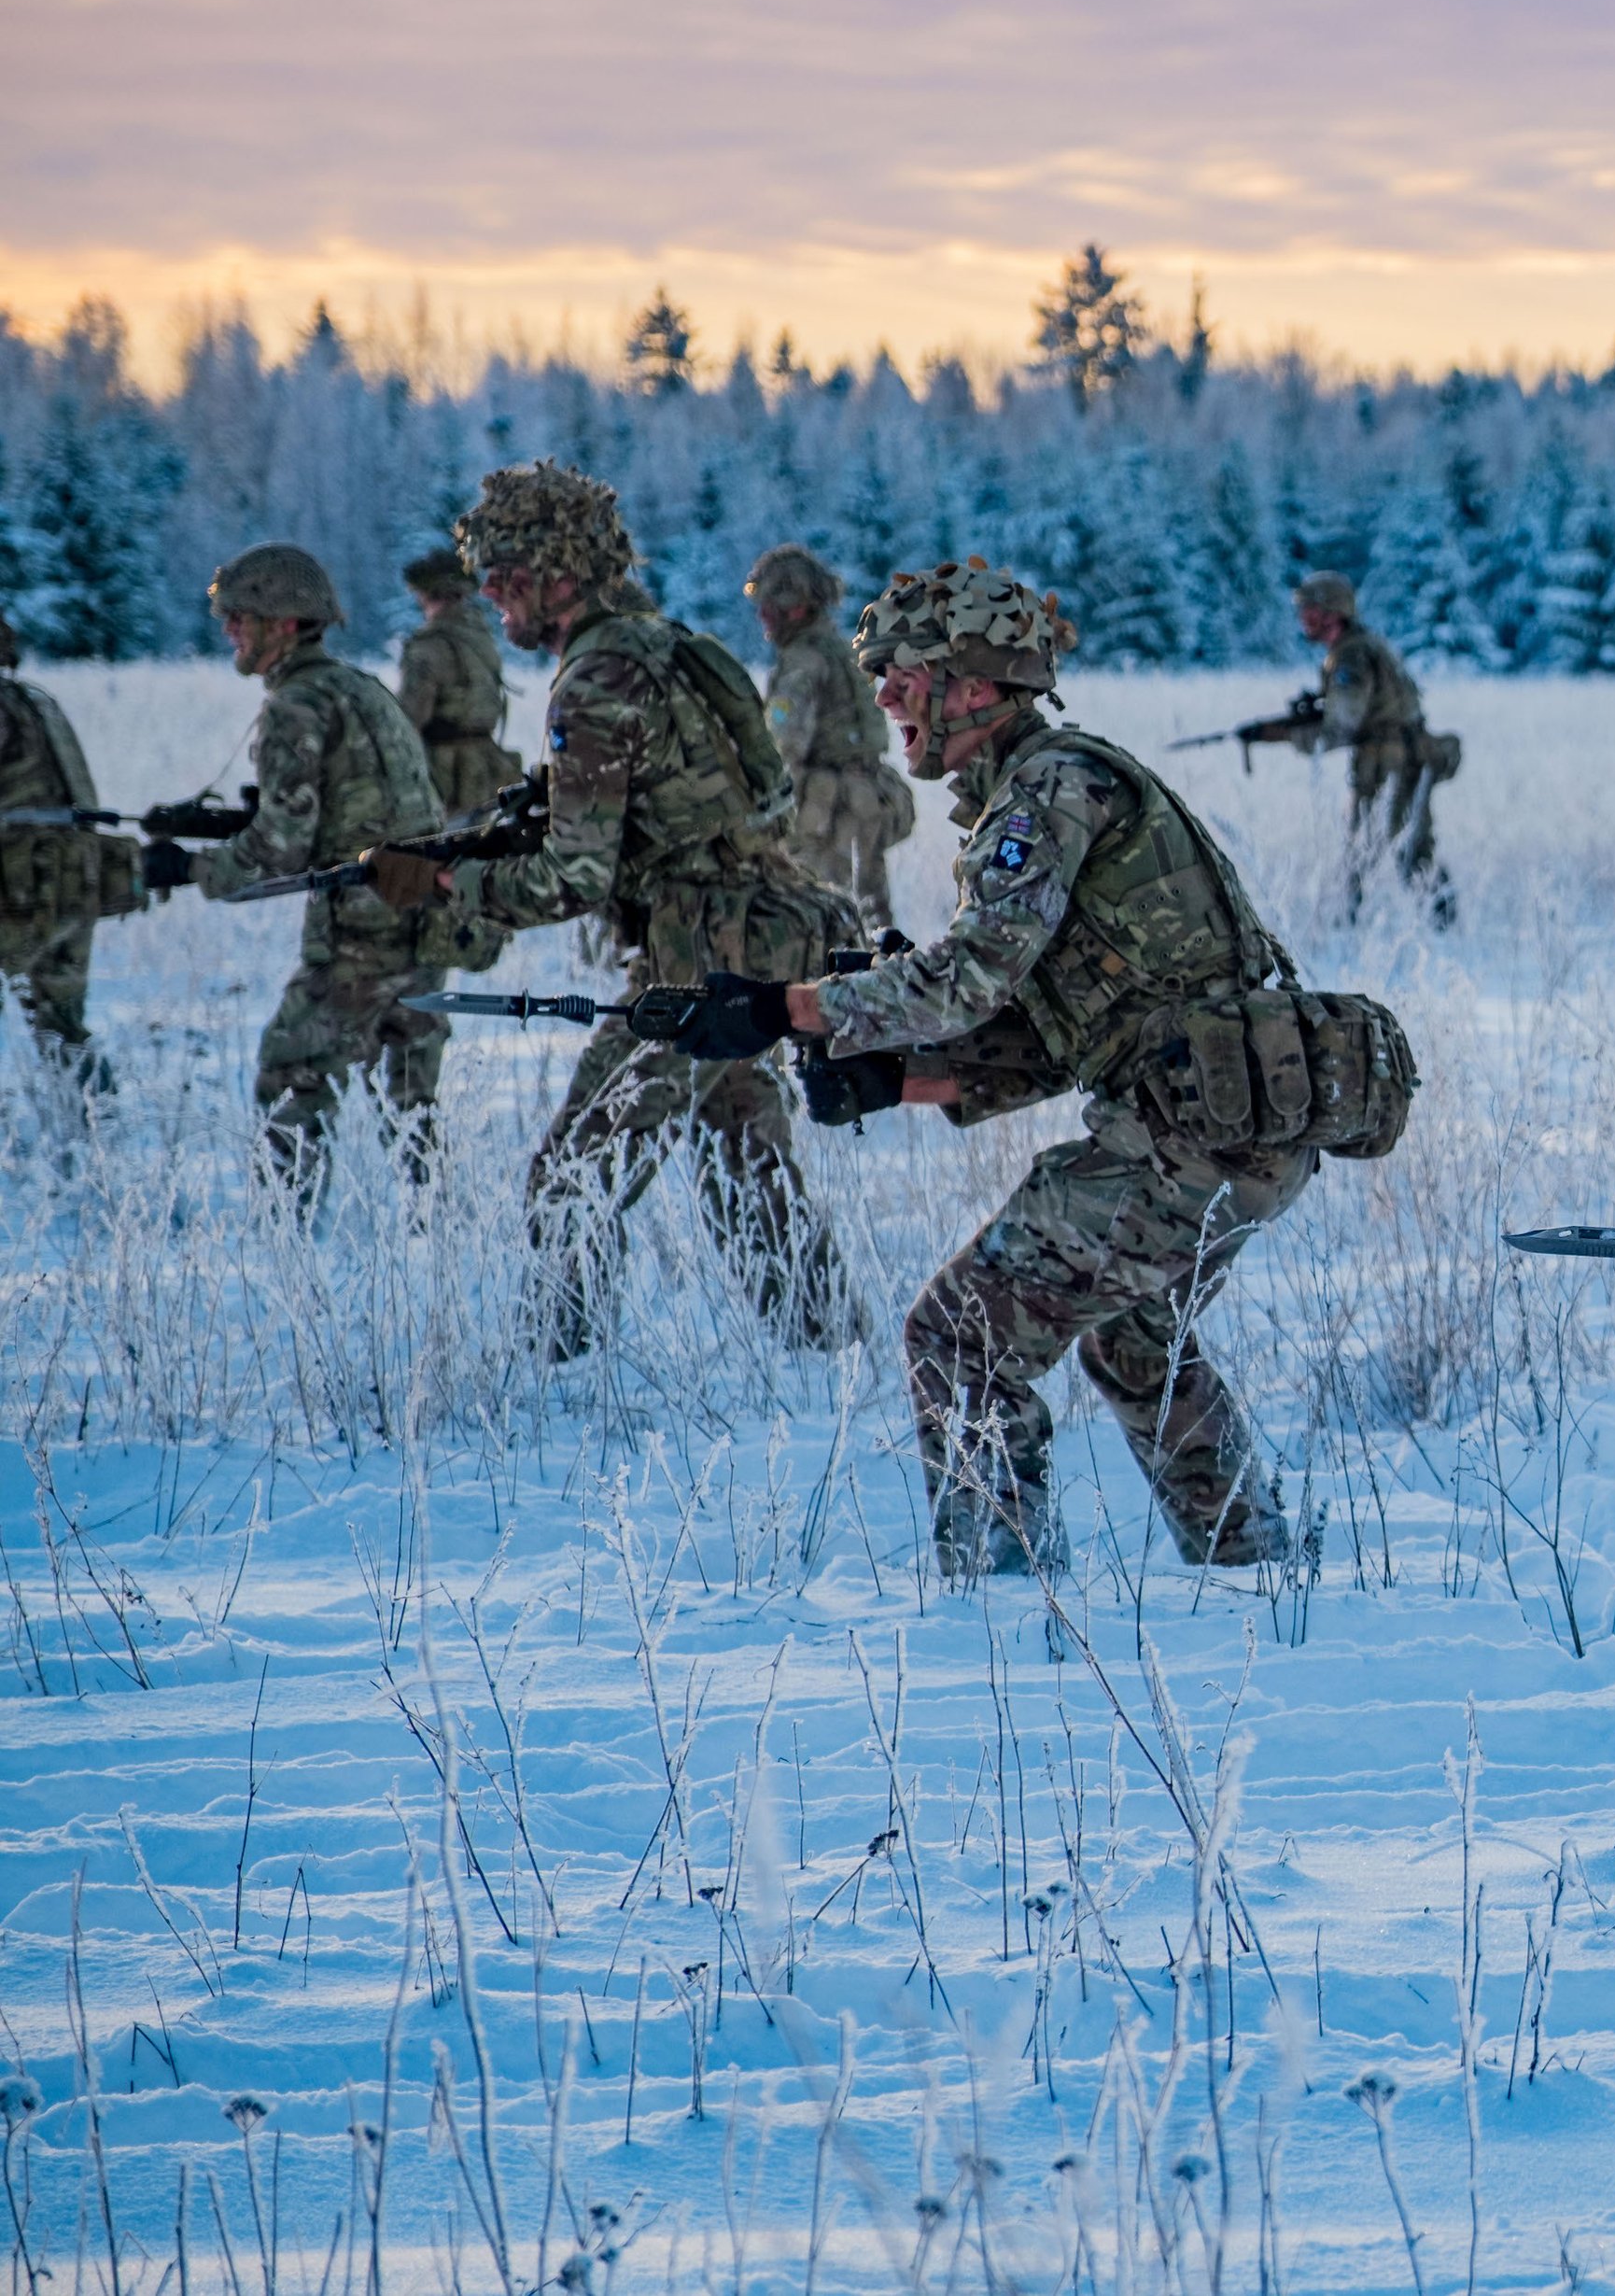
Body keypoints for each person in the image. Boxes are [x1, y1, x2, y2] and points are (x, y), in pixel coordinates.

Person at [772, 558, 1305, 1577]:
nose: (883, 695)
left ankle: (1004, 1605)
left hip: (1190, 1141)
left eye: (904, 673)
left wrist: (792, 1006)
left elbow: (972, 979)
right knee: (1130, 1334)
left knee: (958, 1335)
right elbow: (1063, 1034)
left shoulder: (1046, 792)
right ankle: (1254, 1567)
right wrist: (899, 1080)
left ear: (974, 688)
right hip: (1235, 1135)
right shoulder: (1055, 781)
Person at [371, 459, 854, 1357]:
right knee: (744, 1154)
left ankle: (561, 1376)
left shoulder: (595, 680)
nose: (492, 594)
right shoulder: (661, 646)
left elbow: (572, 878)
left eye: (508, 576)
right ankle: (827, 1344)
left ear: (560, 576)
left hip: (695, 954)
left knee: (573, 1176)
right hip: (753, 929)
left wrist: (446, 883)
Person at [166, 543, 468, 1180]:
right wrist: (227, 823)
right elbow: (361, 803)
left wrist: (192, 869)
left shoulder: (295, 706)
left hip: (360, 929)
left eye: (240, 618)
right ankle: (435, 1238)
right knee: (411, 1099)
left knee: (292, 1071)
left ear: (284, 624)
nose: (228, 632)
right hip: (423, 913)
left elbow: (283, 845)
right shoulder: (359, 687)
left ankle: (289, 1246)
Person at [750, 542, 918, 929]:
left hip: (825, 814)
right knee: (873, 920)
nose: (763, 616)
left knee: (821, 922)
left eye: (770, 606)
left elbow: (781, 747)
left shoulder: (804, 662)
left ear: (796, 607)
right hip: (863, 802)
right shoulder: (842, 651)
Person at [0, 610, 134, 1086]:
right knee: (62, 1028)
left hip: (20, 893)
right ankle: (98, 1132)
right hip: (74, 885)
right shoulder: (36, 702)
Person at [1289, 570, 1454, 925]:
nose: (1305, 620)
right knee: (1401, 844)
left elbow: (1342, 724)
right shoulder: (1358, 647)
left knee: (1384, 846)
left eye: (1312, 612)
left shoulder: (1351, 656)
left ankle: (1353, 922)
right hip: (1397, 757)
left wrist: (1297, 738)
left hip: (1388, 762)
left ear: (1333, 612)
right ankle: (1432, 920)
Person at [397, 546, 522, 821]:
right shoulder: (480, 635)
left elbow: (408, 720)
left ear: (425, 594)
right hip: (485, 769)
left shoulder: (428, 645)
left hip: (445, 777)